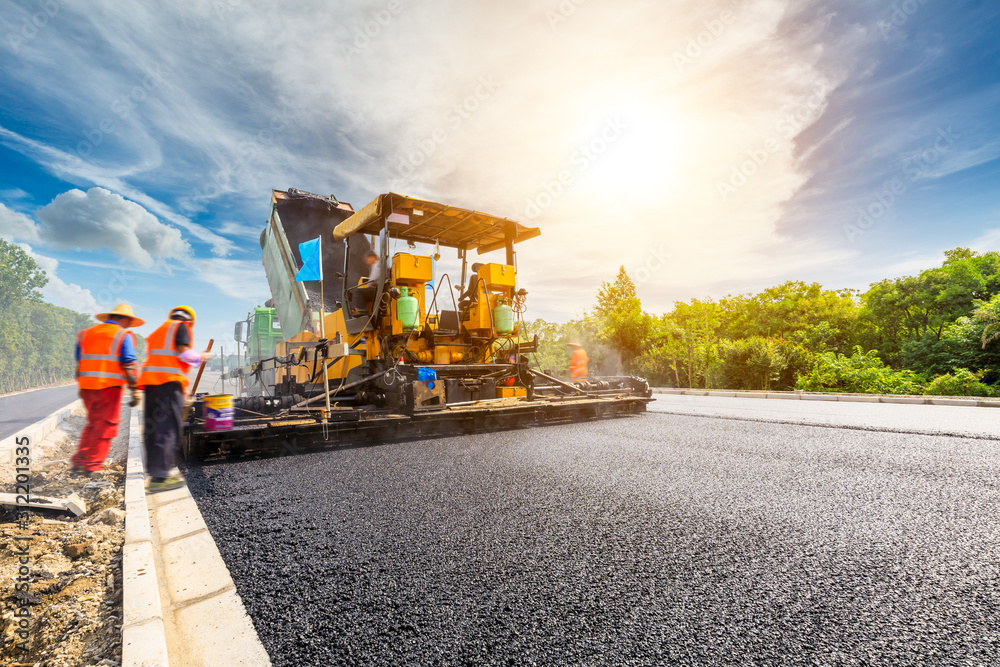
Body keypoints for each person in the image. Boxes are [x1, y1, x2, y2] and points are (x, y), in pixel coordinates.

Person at [138, 306, 210, 493]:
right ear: (190, 321)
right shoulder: (181, 327)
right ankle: (161, 479)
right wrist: (203, 357)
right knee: (168, 429)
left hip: (151, 386)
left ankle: (155, 472)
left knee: (153, 429)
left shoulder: (158, 331)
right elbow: (184, 354)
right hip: (168, 386)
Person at [71, 304, 145, 478]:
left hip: (87, 387)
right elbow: (128, 363)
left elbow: (79, 360)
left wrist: (83, 384)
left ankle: (79, 462)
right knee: (107, 426)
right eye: (129, 322)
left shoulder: (86, 333)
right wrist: (134, 389)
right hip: (108, 388)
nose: (129, 325)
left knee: (93, 424)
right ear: (125, 319)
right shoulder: (122, 334)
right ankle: (92, 466)